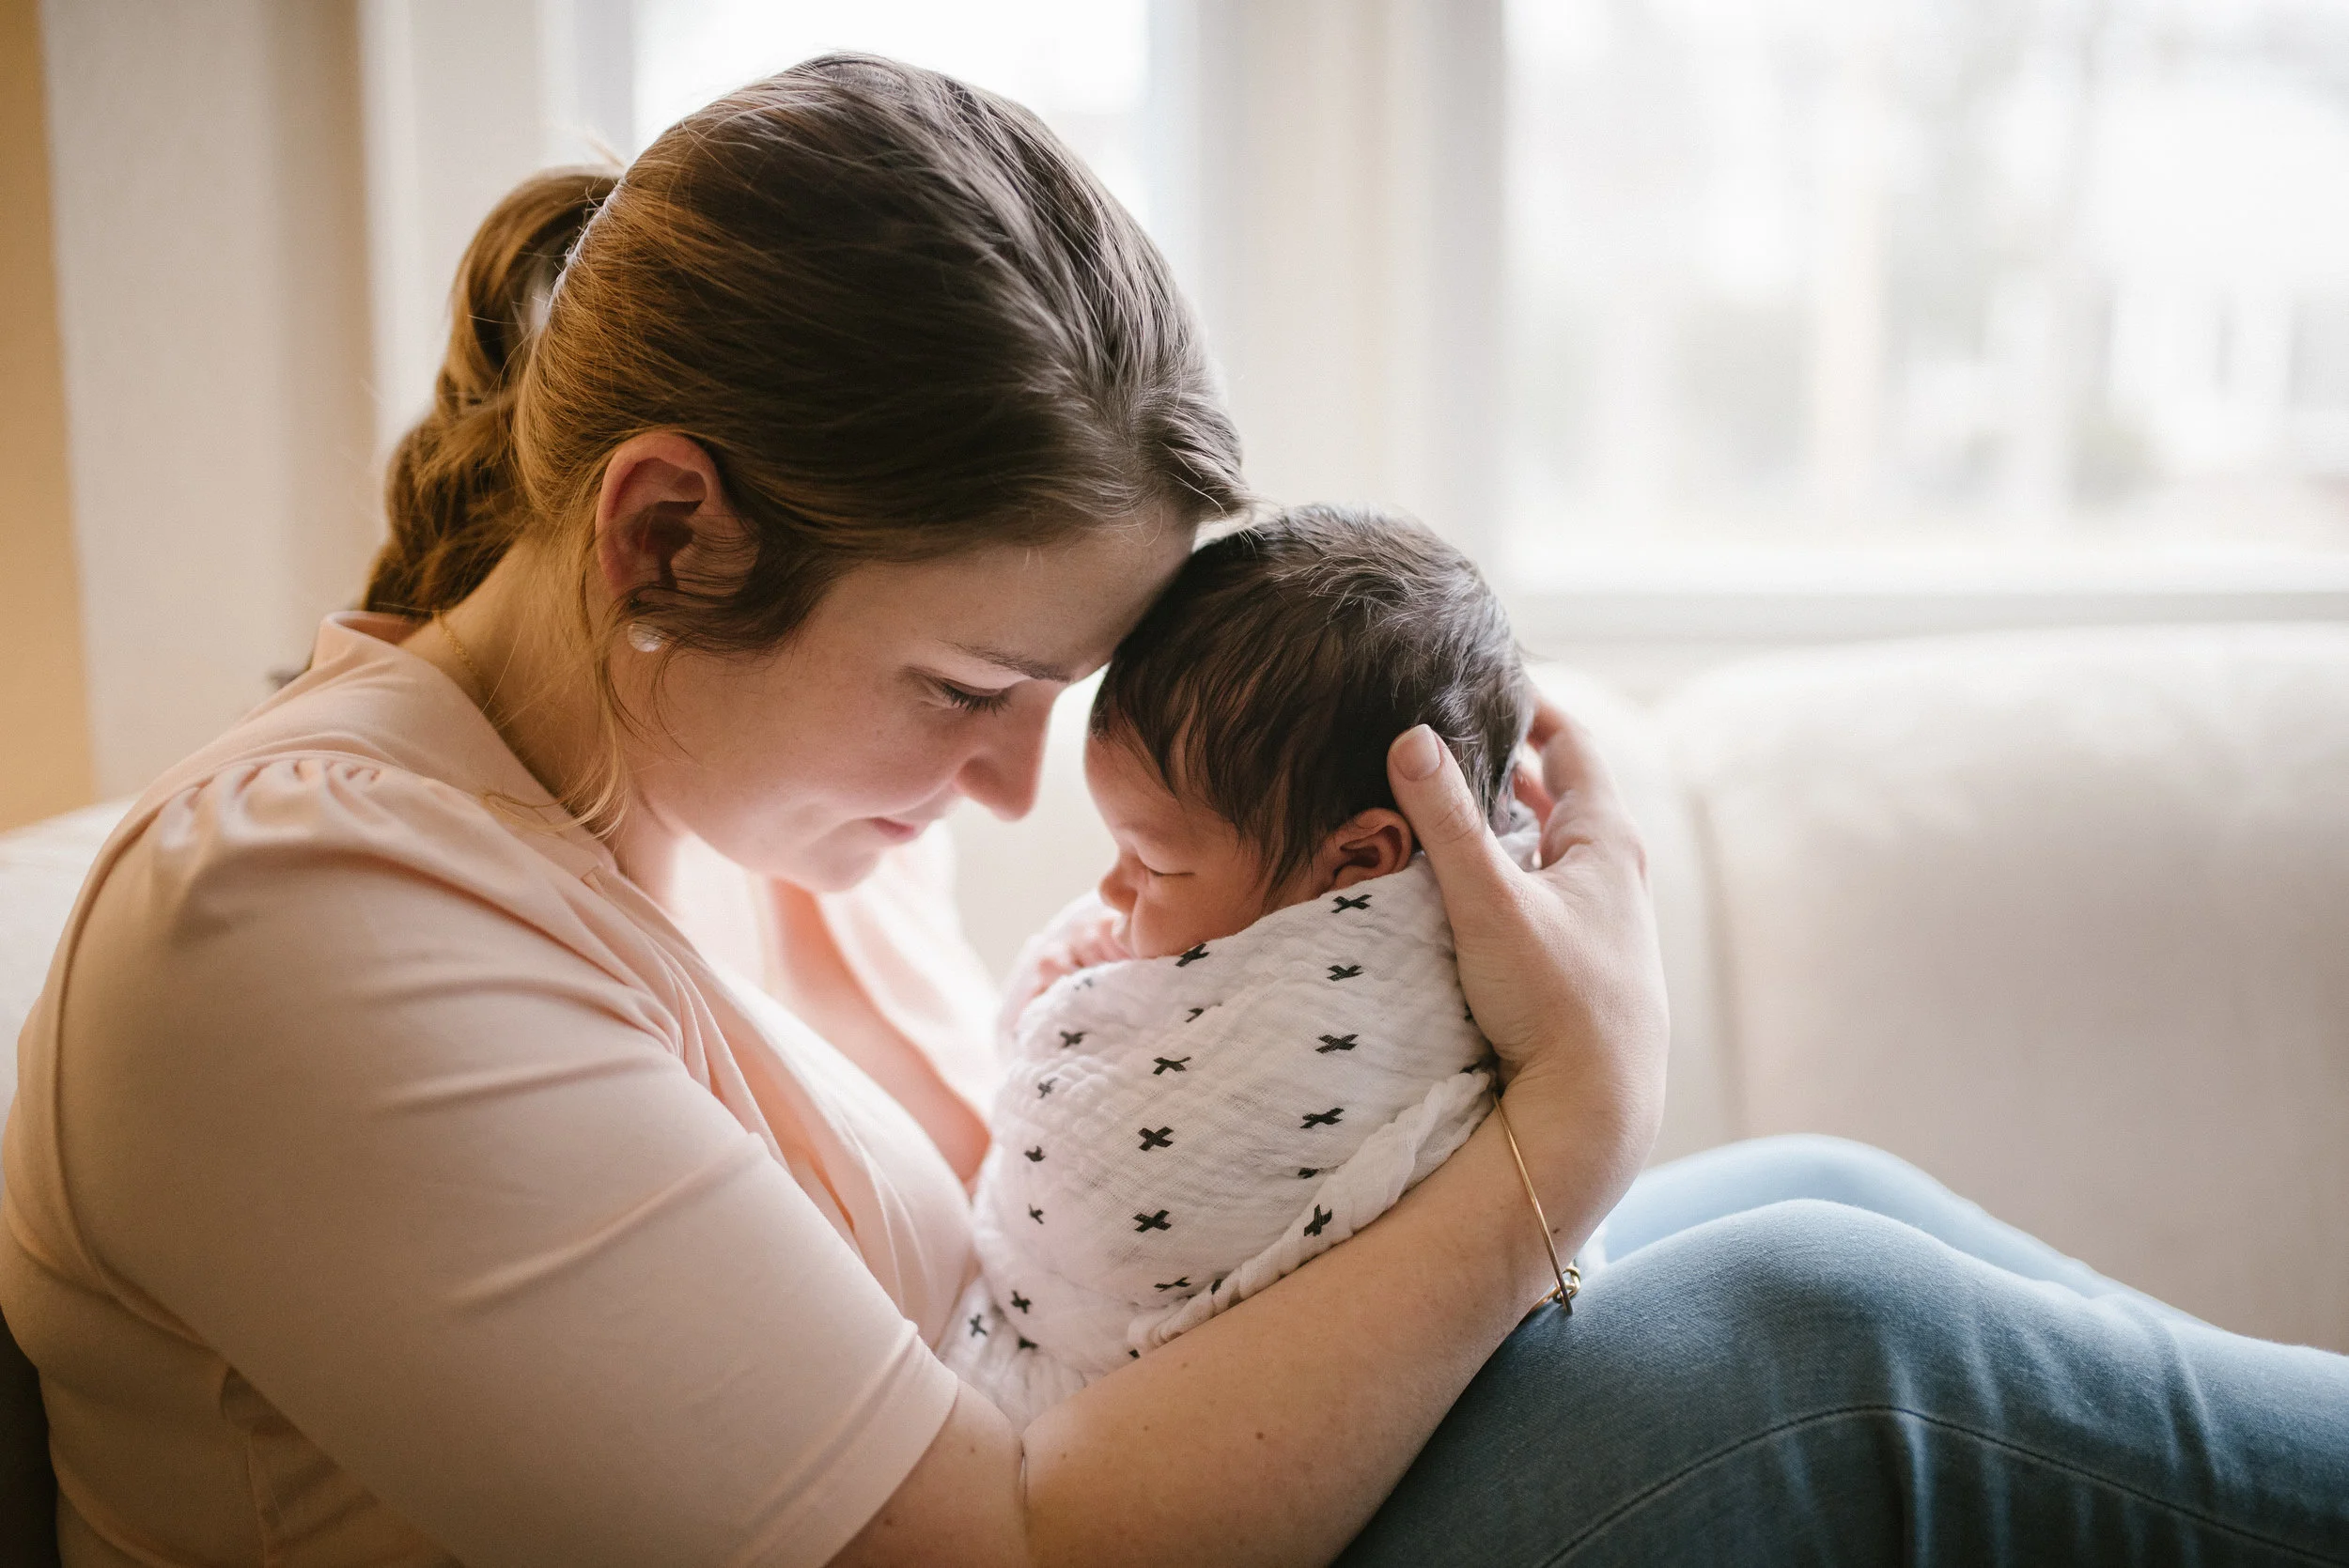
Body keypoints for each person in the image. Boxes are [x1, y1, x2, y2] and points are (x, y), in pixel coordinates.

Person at [2, 53, 2341, 1568]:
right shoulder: (296, 929)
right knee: (1817, 1335)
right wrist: (1562, 1125)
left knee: (1820, 1198)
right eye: (962, 685)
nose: (1012, 787)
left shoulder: (725, 808)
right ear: (660, 538)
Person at [944, 505, 1546, 1428]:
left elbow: (1088, 1192)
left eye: (1153, 865)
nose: (1111, 891)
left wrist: (1058, 1010)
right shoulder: (1262, 904)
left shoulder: (1348, 1018)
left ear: (1360, 862)